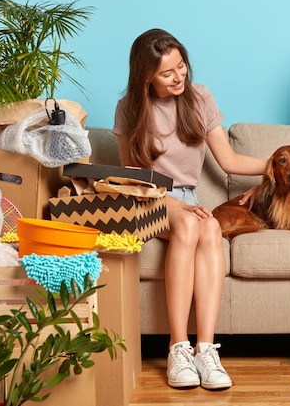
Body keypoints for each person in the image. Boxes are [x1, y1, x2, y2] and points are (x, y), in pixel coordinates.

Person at [113, 28, 266, 390]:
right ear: (145, 75)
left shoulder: (199, 98)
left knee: (209, 227)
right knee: (188, 225)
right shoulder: (130, 108)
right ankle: (177, 347)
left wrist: (277, 166)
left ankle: (205, 350)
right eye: (167, 73)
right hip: (149, 198)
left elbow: (228, 160)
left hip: (189, 199)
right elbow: (131, 177)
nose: (179, 76)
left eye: (181, 66)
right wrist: (172, 203)